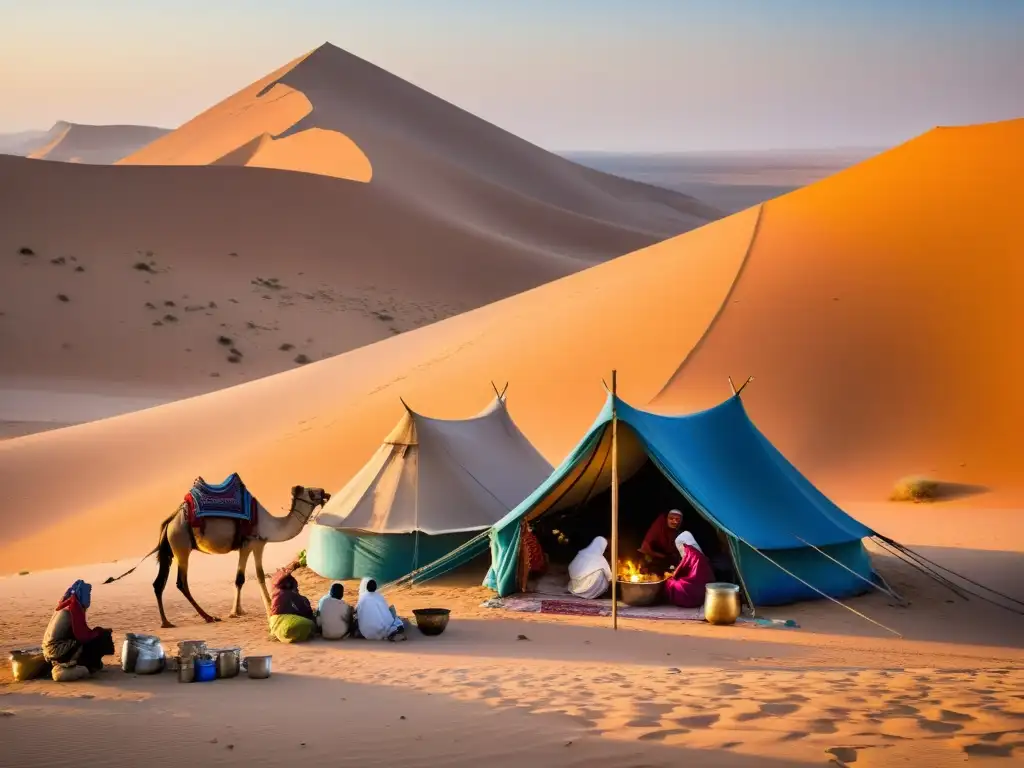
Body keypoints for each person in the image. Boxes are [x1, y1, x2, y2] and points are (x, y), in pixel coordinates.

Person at [42, 579, 114, 676]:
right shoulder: (73, 608)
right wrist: (100, 633)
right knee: (100, 638)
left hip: (49, 651)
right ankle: (91, 666)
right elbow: (82, 636)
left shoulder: (64, 605)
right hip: (57, 651)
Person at [665, 531, 716, 608]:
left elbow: (681, 568)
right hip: (706, 586)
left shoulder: (690, 551)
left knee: (671, 582)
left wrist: (672, 575)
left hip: (696, 585)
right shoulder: (697, 552)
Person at [268, 569, 317, 643]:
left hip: (275, 625)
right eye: (296, 587)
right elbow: (306, 613)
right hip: (290, 627)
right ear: (291, 585)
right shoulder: (297, 597)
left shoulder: (276, 595)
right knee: (312, 624)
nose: (297, 589)